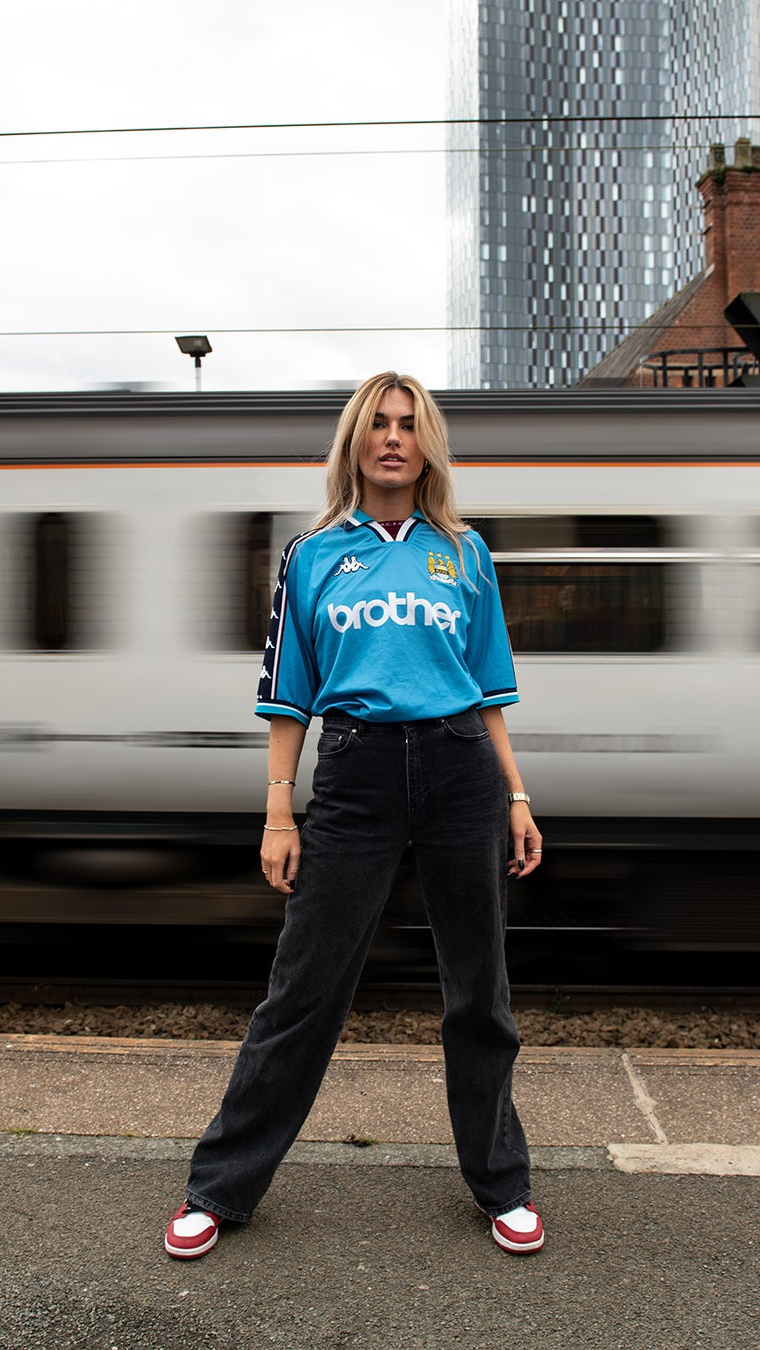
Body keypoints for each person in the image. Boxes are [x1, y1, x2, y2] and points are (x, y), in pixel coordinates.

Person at [165, 371, 544, 1259]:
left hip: (461, 775)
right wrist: (278, 812)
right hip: (355, 773)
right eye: (377, 423)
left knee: (478, 993)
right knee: (303, 990)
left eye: (410, 425)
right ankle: (219, 1188)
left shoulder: (466, 553)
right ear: (354, 441)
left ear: (428, 445)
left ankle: (501, 1184)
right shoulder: (312, 556)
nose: (393, 438)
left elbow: (490, 693)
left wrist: (518, 797)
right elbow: (286, 695)